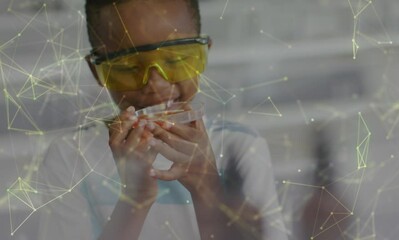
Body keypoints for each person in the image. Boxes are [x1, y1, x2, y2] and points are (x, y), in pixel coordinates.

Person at [37, 0, 287, 239]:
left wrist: (208, 187)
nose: (156, 86)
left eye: (177, 60)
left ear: (203, 54)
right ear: (97, 72)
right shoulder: (70, 159)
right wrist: (135, 199)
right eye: (128, 67)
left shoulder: (241, 147)